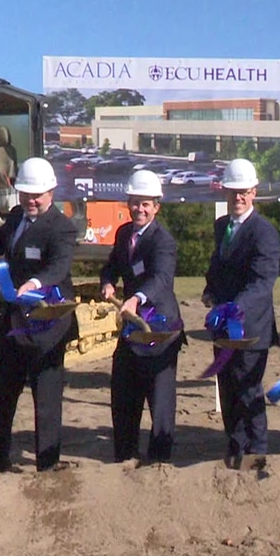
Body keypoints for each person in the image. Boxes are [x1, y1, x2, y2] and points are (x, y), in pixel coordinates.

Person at [0, 157, 79, 473]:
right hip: (13, 322)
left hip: (48, 323)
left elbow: (59, 267)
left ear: (51, 192)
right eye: (26, 194)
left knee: (46, 397)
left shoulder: (61, 228)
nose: (31, 201)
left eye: (37, 195)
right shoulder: (16, 217)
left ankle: (47, 464)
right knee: (2, 391)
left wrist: (35, 283)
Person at [100, 170, 184, 463]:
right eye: (135, 202)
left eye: (146, 204)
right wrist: (108, 282)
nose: (140, 209)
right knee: (123, 394)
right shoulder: (124, 233)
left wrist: (136, 298)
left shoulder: (163, 241)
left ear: (156, 207)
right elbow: (112, 264)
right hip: (132, 328)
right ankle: (125, 456)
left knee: (160, 401)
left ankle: (160, 462)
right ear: (129, 203)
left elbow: (161, 279)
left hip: (160, 328)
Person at [202, 158, 280, 468]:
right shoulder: (222, 226)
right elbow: (217, 265)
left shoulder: (264, 232)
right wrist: (210, 290)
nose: (238, 197)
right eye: (233, 191)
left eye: (244, 192)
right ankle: (234, 447)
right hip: (223, 327)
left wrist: (236, 306)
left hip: (251, 328)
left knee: (249, 391)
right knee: (228, 390)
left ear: (254, 192)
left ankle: (257, 451)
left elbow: (263, 282)